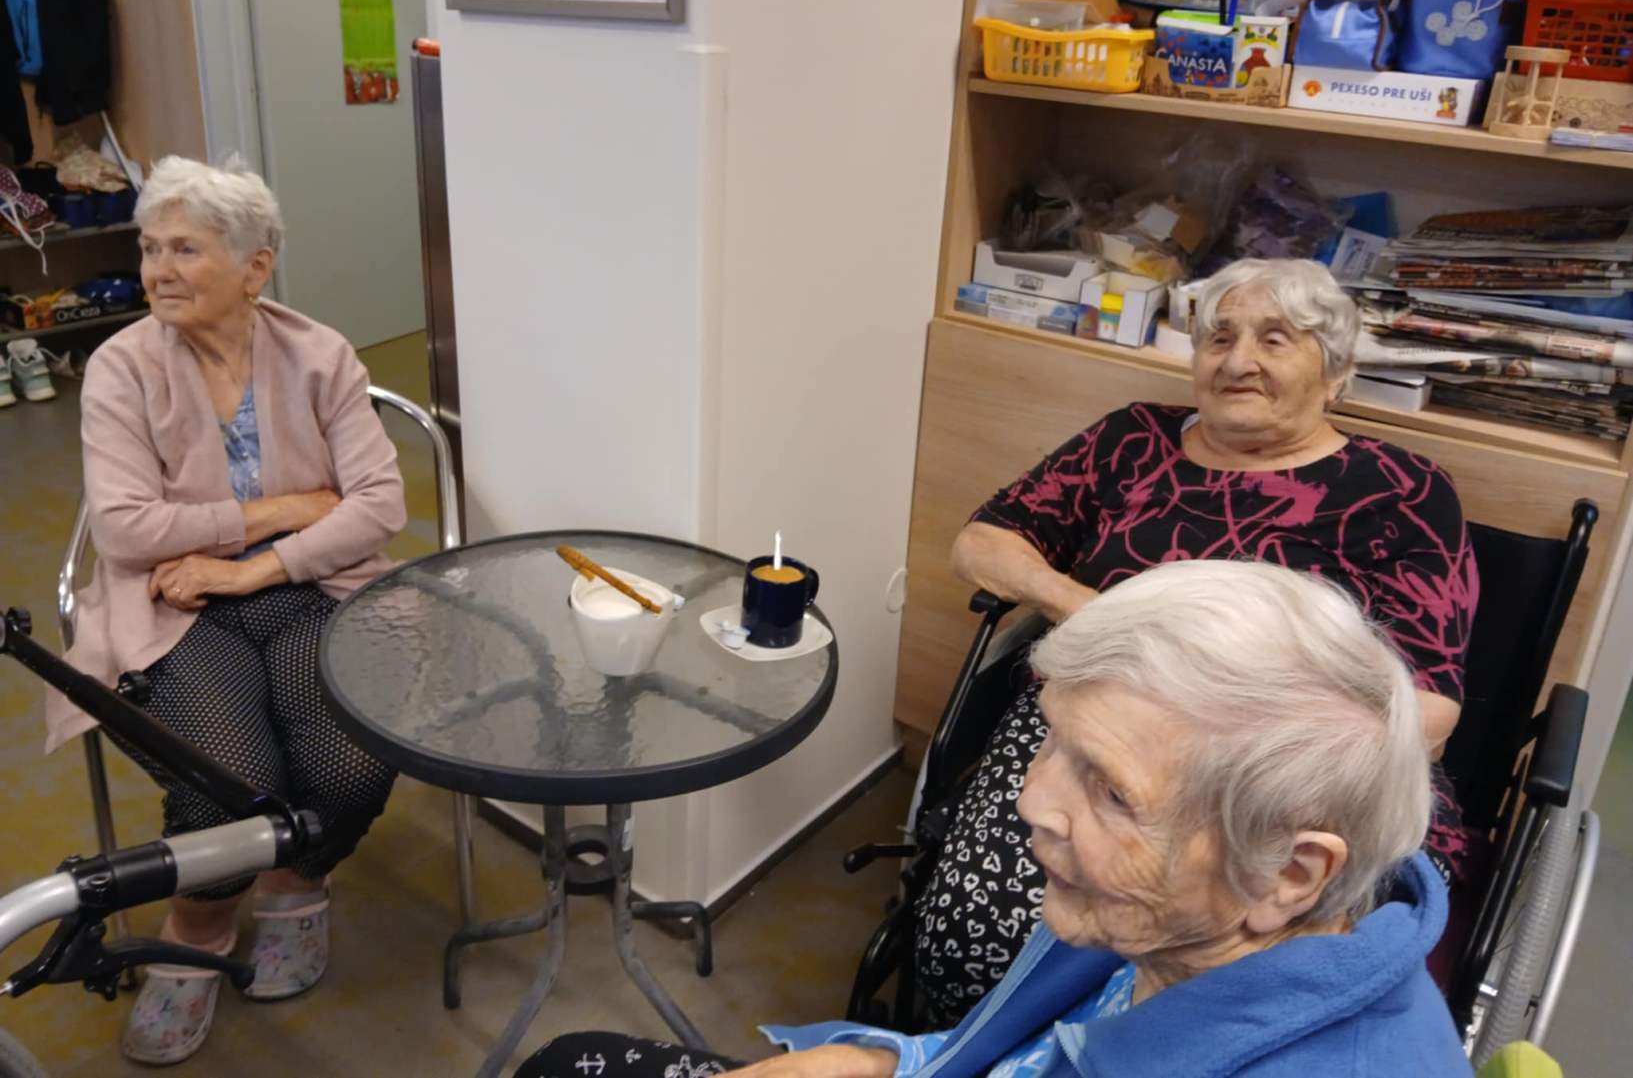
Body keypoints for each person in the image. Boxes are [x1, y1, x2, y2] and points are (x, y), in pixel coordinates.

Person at [522, 561, 1472, 1078]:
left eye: (1110, 790)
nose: (1030, 802)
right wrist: (877, 1063)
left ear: (1289, 872)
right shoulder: (1159, 919)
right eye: (1052, 741)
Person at [915, 257, 1478, 1024]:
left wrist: (1227, 744)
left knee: (1247, 1003)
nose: (1237, 360)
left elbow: (1427, 713)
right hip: (1098, 739)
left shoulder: (1401, 490)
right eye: (1217, 337)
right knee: (973, 941)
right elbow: (980, 544)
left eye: (1273, 339)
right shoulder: (1132, 440)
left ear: (1335, 372)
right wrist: (1097, 612)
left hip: (1288, 783)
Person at [47, 156, 405, 1065]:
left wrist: (255, 567)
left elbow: (379, 504)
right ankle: (199, 926)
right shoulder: (121, 367)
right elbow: (127, 529)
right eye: (149, 248)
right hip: (173, 605)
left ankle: (294, 882)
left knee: (353, 761)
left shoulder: (319, 353)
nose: (157, 271)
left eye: (184, 250)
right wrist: (283, 508)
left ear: (256, 266)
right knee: (225, 782)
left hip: (312, 588)